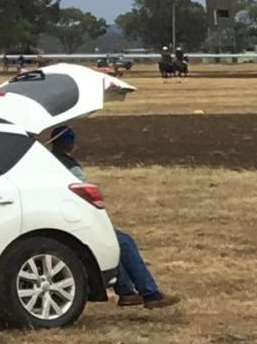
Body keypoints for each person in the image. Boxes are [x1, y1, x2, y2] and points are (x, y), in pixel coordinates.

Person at [46, 127, 177, 309]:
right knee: (123, 242)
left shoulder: (46, 161)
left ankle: (126, 291)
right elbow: (80, 194)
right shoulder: (71, 167)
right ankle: (150, 293)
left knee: (113, 243)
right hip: (69, 219)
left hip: (55, 217)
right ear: (72, 145)